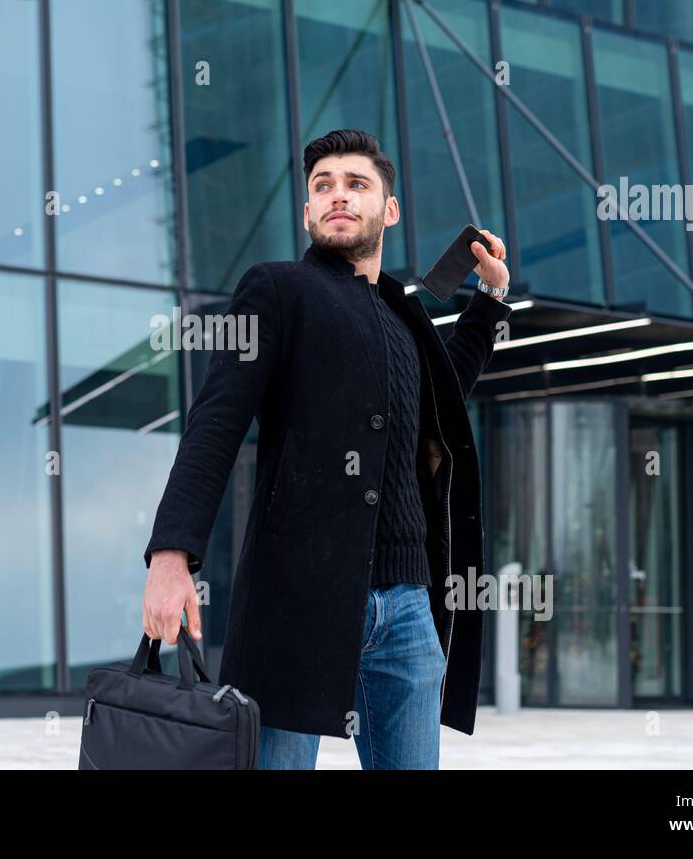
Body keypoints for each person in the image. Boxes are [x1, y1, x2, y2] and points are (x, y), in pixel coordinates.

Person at [141, 128, 512, 769]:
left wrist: (491, 300)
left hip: (407, 607)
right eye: (323, 186)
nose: (339, 195)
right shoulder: (276, 291)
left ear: (388, 210)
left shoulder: (405, 316)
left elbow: (443, 398)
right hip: (296, 598)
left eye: (357, 184)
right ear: (308, 211)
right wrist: (171, 554)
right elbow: (215, 423)